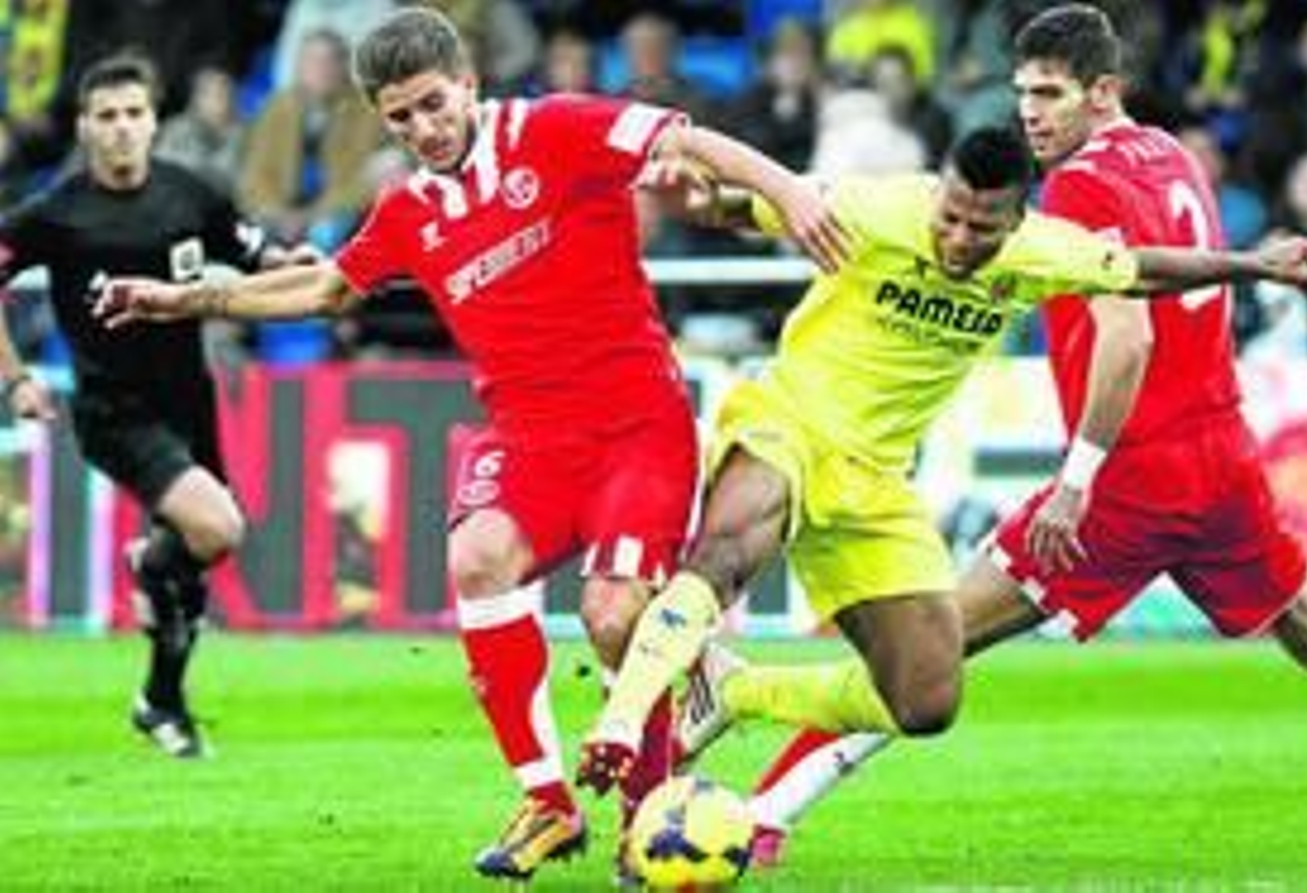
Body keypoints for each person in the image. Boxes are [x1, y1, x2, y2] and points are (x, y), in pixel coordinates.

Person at [699, 5, 1307, 868]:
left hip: (1130, 473)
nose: (1030, 113)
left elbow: (1128, 335)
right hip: (1220, 454)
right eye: (1022, 93)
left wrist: (1079, 480)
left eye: (1049, 94)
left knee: (930, 641)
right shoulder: (1171, 155)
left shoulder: (1079, 186)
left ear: (1102, 90)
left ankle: (762, 810)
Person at [91, 6, 848, 883]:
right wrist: (188, 300)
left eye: (433, 104)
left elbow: (687, 138)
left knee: (612, 617)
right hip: (529, 440)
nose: (423, 128)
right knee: (477, 557)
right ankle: (549, 803)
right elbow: (329, 287)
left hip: (636, 428)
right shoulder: (408, 208)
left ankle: (647, 816)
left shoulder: (555, 130)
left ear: (469, 85)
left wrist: (793, 193)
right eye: (400, 117)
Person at [574, 122, 1307, 797]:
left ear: (1018, 220)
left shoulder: (1042, 251)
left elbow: (1141, 269)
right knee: (727, 552)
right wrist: (707, 201)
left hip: (875, 478)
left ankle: (736, 689)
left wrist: (1256, 264)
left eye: (983, 228)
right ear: (938, 191)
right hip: (789, 423)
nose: (960, 240)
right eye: (951, 217)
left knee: (925, 699)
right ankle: (622, 723)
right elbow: (758, 207)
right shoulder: (880, 209)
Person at [0, 55, 316, 759]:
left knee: (191, 570)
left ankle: (161, 703)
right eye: (107, 116)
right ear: (84, 128)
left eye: (134, 114)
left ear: (153, 121)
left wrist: (307, 266)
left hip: (189, 400)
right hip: (113, 410)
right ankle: (150, 568)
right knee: (216, 528)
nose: (122, 128)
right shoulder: (55, 214)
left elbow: (260, 255)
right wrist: (16, 378)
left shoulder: (191, 195)